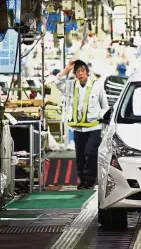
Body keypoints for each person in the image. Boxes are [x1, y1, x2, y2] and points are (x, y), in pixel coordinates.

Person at [55, 59, 109, 189]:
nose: (80, 74)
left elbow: (105, 106)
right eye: (77, 71)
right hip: (78, 129)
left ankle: (90, 180)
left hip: (94, 128)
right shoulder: (71, 86)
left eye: (82, 70)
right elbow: (57, 83)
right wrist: (67, 69)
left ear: (87, 72)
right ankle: (83, 180)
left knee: (90, 153)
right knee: (80, 156)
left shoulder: (97, 85)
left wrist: (105, 127)